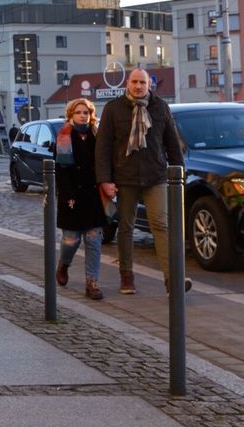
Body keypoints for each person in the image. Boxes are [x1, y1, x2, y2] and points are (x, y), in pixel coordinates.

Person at [95, 68, 188, 295]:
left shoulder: (160, 107)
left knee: (161, 225)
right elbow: (103, 148)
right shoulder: (113, 109)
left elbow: (173, 145)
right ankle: (126, 277)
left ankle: (172, 280)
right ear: (128, 83)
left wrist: (179, 175)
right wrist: (105, 180)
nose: (138, 86)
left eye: (142, 83)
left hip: (155, 176)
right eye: (134, 82)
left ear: (149, 85)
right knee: (126, 229)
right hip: (124, 178)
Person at [53, 98, 107, 301]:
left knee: (94, 240)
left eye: (86, 112)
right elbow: (61, 170)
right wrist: (68, 195)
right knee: (71, 240)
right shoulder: (64, 137)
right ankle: (64, 264)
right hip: (72, 195)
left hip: (93, 195)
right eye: (78, 112)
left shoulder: (97, 135)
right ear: (71, 115)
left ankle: (92, 283)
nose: (83, 115)